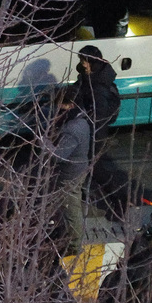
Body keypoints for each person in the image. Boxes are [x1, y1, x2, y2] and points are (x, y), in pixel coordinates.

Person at [50, 90, 94, 252]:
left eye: (61, 105)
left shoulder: (72, 128)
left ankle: (74, 245)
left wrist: (44, 142)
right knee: (71, 204)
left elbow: (58, 155)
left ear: (70, 105)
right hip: (79, 168)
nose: (57, 108)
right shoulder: (82, 120)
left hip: (71, 174)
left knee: (71, 207)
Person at [71, 45, 121, 138]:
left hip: (93, 131)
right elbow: (76, 89)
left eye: (84, 62)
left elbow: (98, 123)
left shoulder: (99, 88)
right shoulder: (87, 77)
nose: (83, 65)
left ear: (92, 63)